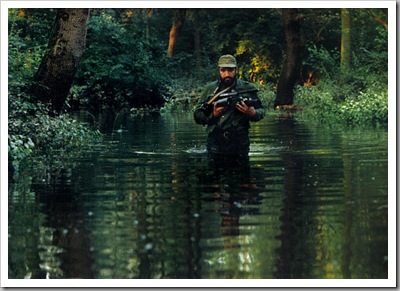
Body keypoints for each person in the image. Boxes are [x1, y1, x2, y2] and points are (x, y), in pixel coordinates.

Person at [194, 54, 265, 158]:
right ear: (219, 70)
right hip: (215, 140)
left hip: (240, 140)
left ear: (236, 70)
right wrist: (213, 115)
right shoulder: (210, 89)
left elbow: (261, 111)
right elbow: (197, 115)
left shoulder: (248, 88)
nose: (227, 74)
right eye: (223, 70)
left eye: (230, 70)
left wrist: (253, 113)